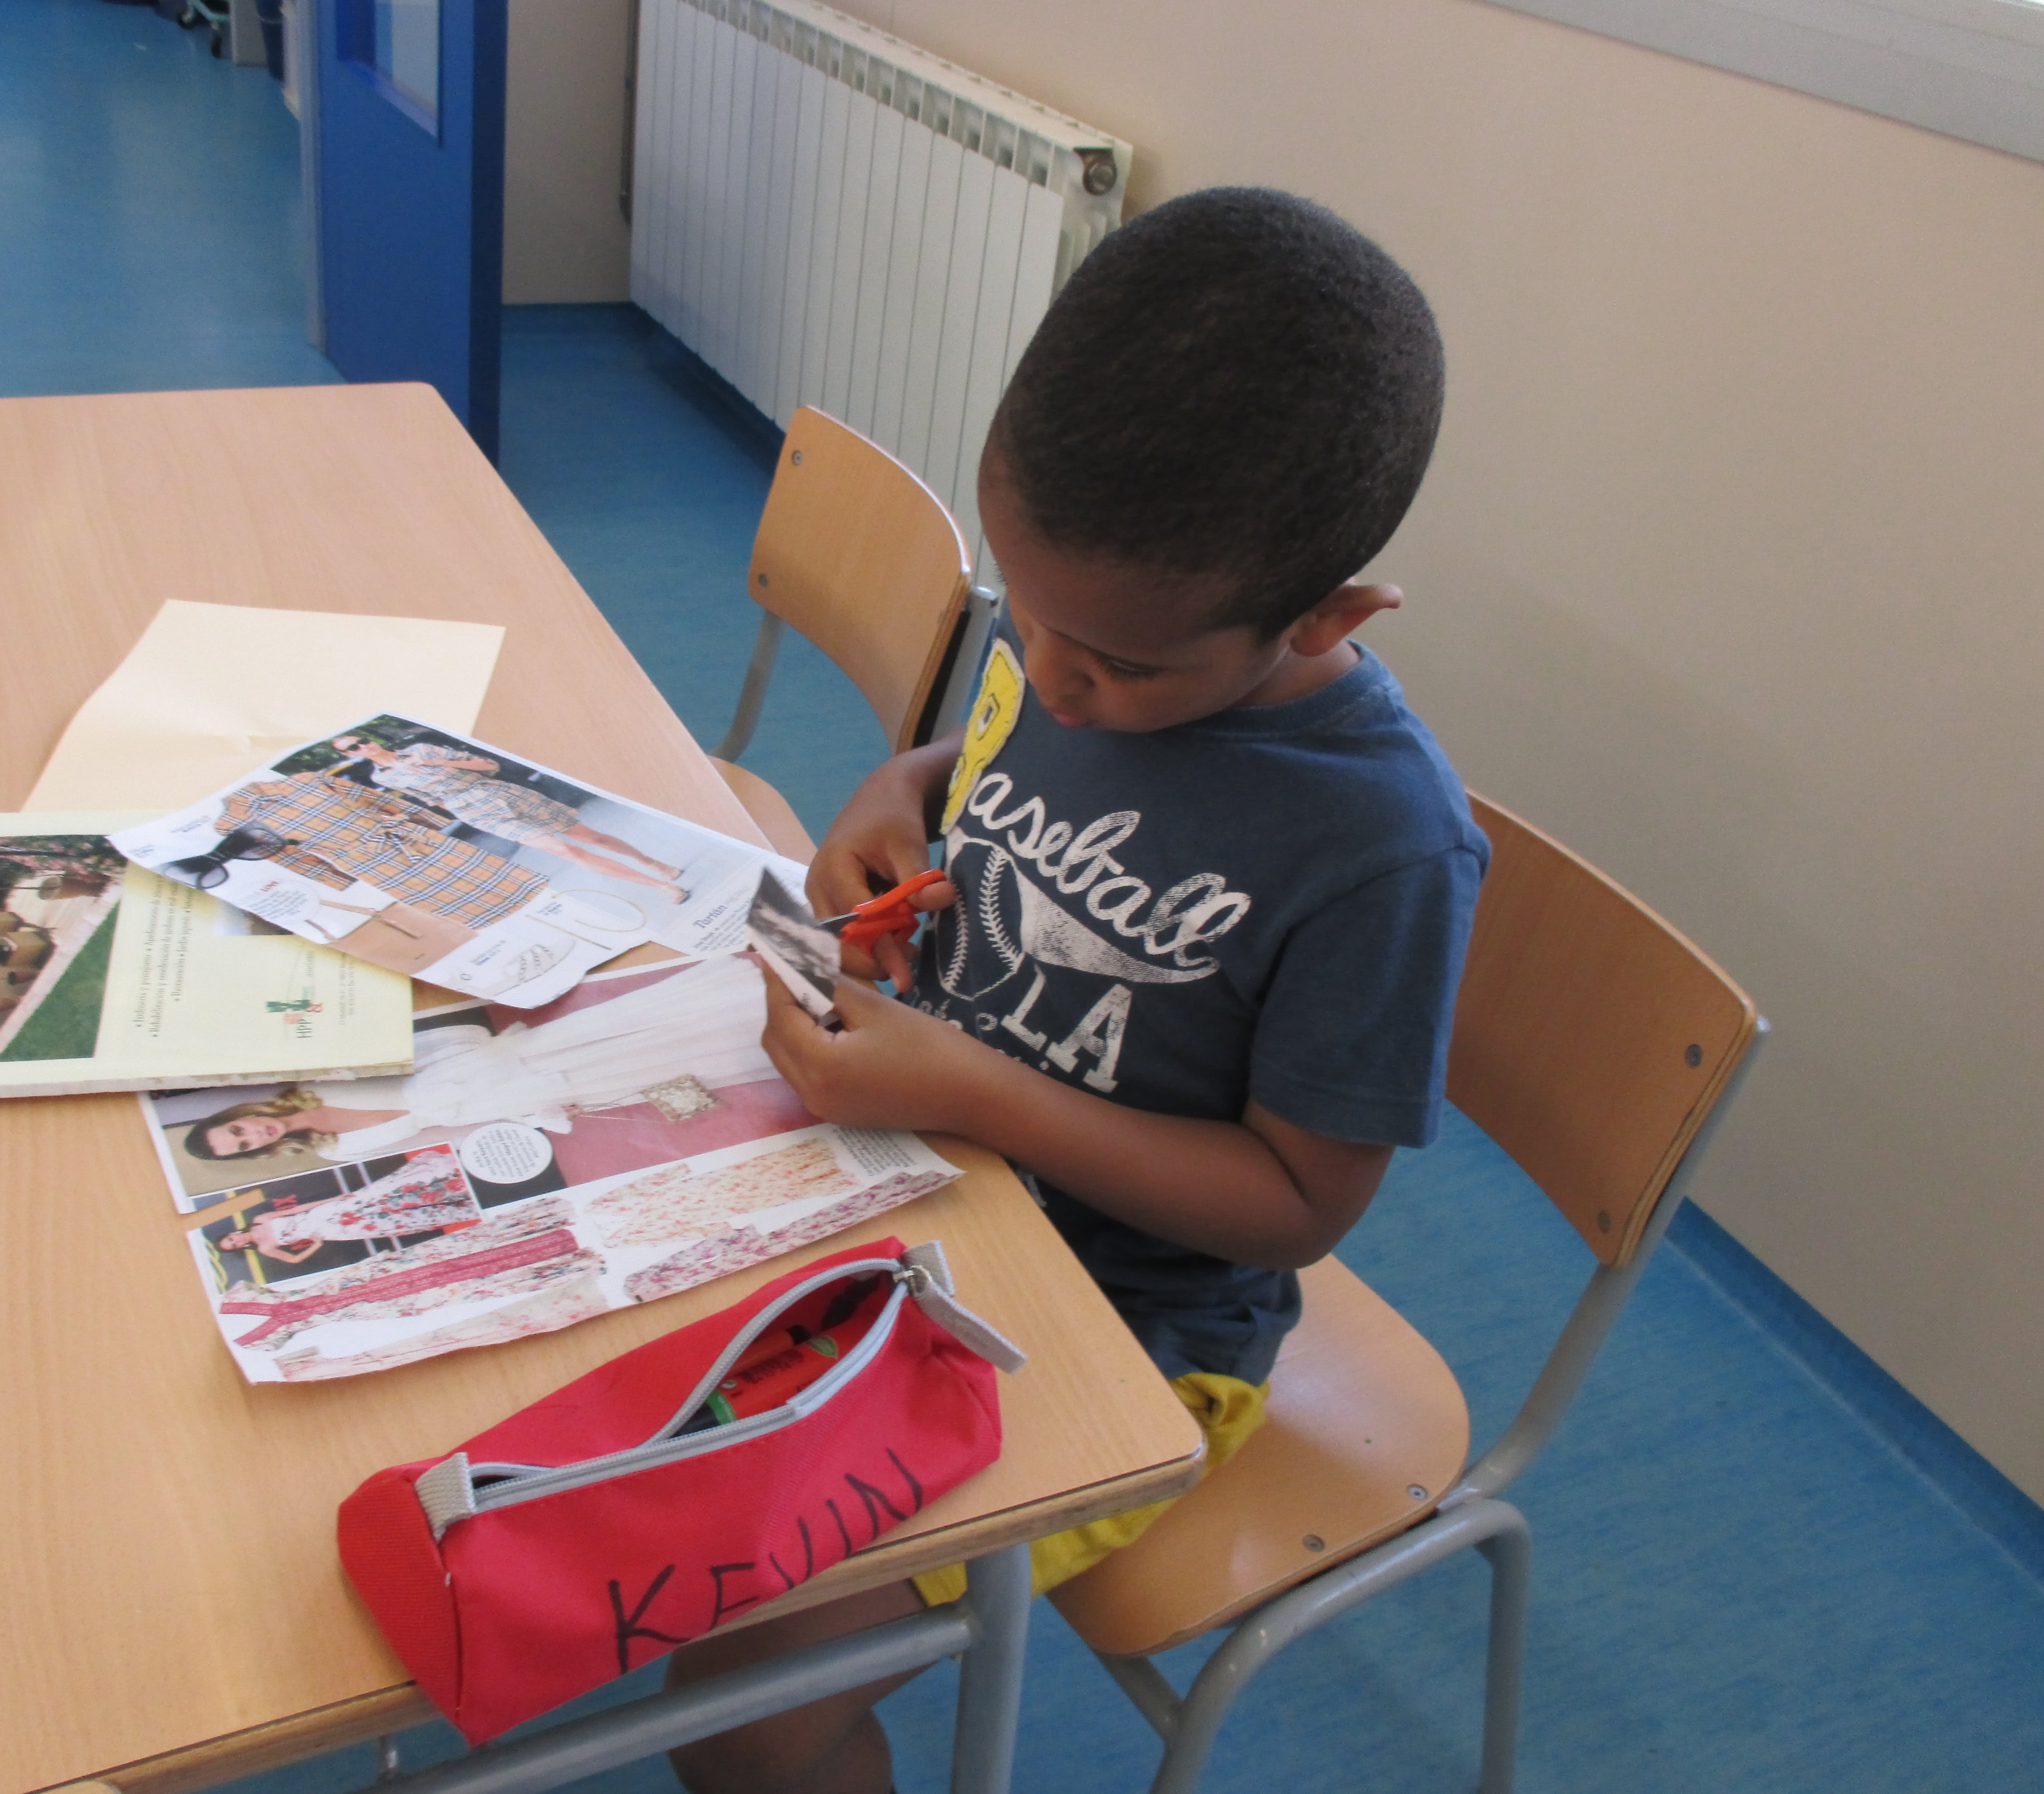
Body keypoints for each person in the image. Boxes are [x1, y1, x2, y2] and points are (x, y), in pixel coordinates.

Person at [661, 188, 1490, 1794]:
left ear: (1328, 617)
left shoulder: (1381, 851)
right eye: (1026, 620)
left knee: (745, 1706)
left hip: (1131, 1325)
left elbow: (1299, 1205)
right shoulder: (1096, 628)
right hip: (931, 1174)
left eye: (1113, 666)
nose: (1051, 680)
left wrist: (977, 1094)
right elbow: (993, 749)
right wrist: (896, 796)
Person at [182, 953, 777, 1160]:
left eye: (237, 1130)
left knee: (622, 1028)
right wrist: (527, 1113)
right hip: (502, 1100)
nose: (252, 1136)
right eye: (244, 1147)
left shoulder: (319, 1081)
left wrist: (492, 1058)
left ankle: (745, 996)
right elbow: (440, 1133)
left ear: (238, 1114)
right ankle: (775, 1041)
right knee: (643, 1074)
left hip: (493, 1063)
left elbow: (435, 1043)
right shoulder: (334, 1149)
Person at [331, 735, 692, 902]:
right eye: (352, 749)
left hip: (501, 793)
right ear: (351, 756)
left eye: (361, 741)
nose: (362, 748)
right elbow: (431, 801)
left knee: (590, 838)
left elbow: (487, 765)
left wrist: (434, 762)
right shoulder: (383, 779)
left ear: (371, 740)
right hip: (475, 812)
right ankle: (660, 887)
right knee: (565, 851)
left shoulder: (421, 749)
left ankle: (654, 863)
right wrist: (460, 814)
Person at [212, 1151, 480, 1265]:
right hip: (333, 1231)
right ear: (239, 1249)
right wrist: (316, 1244)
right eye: (234, 1246)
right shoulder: (265, 1248)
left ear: (234, 1233)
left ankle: (444, 1179)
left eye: (231, 1239)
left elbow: (295, 1210)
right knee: (391, 1221)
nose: (236, 1241)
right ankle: (460, 1203)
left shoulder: (260, 1219)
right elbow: (294, 1260)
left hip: (325, 1212)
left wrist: (334, 1200)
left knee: (382, 1194)